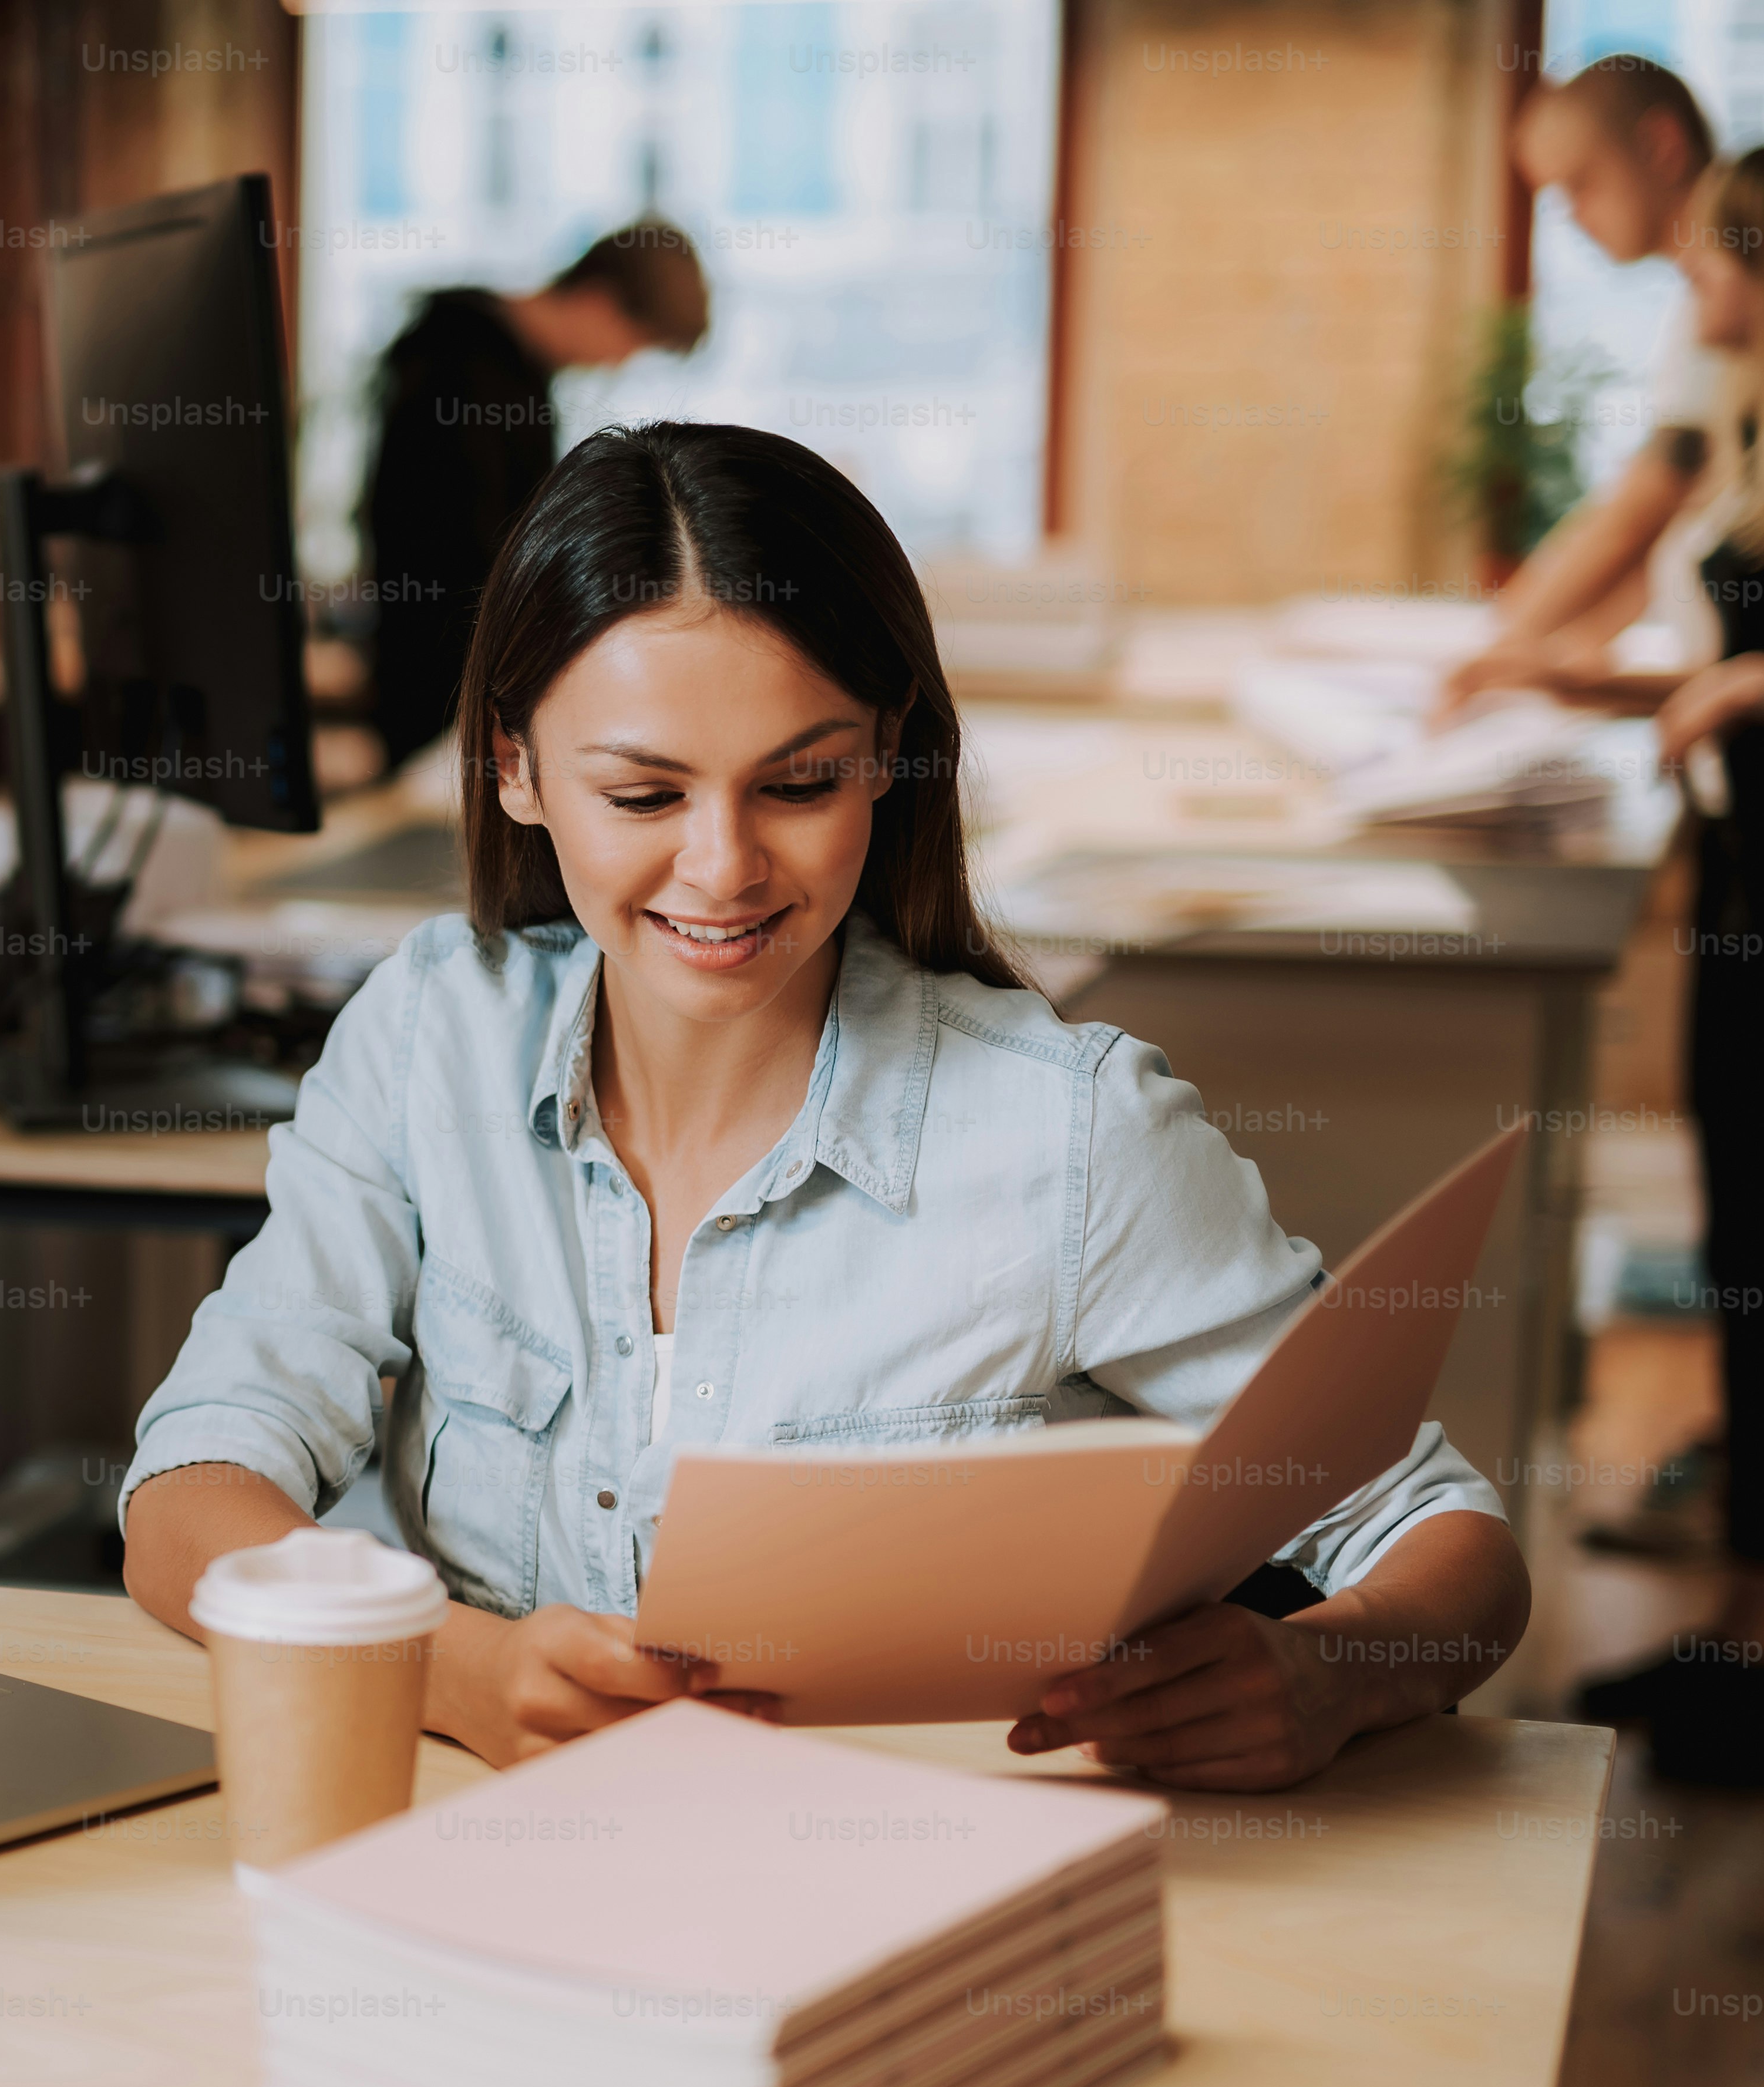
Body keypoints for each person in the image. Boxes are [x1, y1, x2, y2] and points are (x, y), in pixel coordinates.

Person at [120, 422, 1529, 1790]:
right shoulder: (432, 1033)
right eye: (643, 792)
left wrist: (1334, 1675)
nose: (722, 867)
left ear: (885, 756)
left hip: (915, 1905)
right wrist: (451, 1668)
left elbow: (1448, 1539)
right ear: (514, 767)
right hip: (481, 1879)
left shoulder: (1072, 1137)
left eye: (798, 782)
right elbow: (190, 1492)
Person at [1574, 149, 1764, 1786]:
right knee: (1737, 1234)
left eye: (1713, 265)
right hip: (1738, 866)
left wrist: (1742, 687)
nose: (1693, 301)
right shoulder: (1748, 421)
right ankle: (1742, 1625)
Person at [360, 225, 709, 770]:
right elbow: (474, 551)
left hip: (451, 687)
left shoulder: (503, 366)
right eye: (631, 343)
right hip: (441, 692)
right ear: (599, 302)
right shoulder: (467, 366)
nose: (617, 364)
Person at [1443, 55, 1719, 708]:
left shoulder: (1729, 304)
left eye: (1581, 185)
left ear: (1661, 145)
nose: (1572, 218)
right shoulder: (1697, 304)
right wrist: (1561, 652)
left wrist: (1497, 642)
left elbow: (1650, 499)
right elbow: (1683, 524)